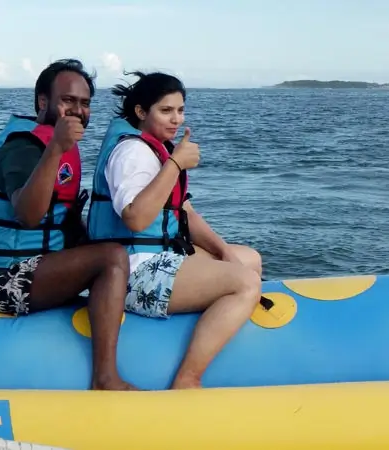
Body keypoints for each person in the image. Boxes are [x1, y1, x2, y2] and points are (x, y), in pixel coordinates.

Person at [0, 59, 137, 391]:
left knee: (121, 248)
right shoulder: (22, 147)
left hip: (40, 266)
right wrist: (57, 147)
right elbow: (28, 215)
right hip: (3, 278)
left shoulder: (58, 148)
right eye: (68, 100)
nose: (77, 110)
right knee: (111, 258)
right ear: (43, 103)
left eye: (85, 103)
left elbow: (65, 226)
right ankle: (105, 378)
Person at [87, 71, 263, 389]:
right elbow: (136, 219)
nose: (176, 119)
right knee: (246, 283)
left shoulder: (157, 148)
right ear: (141, 112)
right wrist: (176, 164)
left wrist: (224, 253)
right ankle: (188, 378)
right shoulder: (132, 153)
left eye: (180, 110)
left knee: (248, 259)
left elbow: (184, 212)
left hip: (160, 256)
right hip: (131, 273)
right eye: (166, 111)